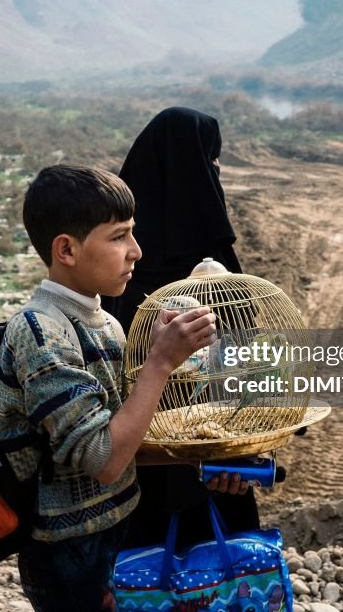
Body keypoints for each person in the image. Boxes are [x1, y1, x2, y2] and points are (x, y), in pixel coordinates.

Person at [0, 164, 217, 611]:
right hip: (68, 553)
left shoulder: (105, 322)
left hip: (111, 533)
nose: (136, 251)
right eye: (119, 237)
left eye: (132, 234)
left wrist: (208, 455)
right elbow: (105, 460)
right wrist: (158, 362)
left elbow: (127, 438)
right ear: (66, 250)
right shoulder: (40, 333)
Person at [103, 106, 261, 549]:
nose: (214, 175)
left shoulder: (125, 267)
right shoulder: (129, 277)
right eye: (209, 163)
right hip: (179, 475)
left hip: (176, 475)